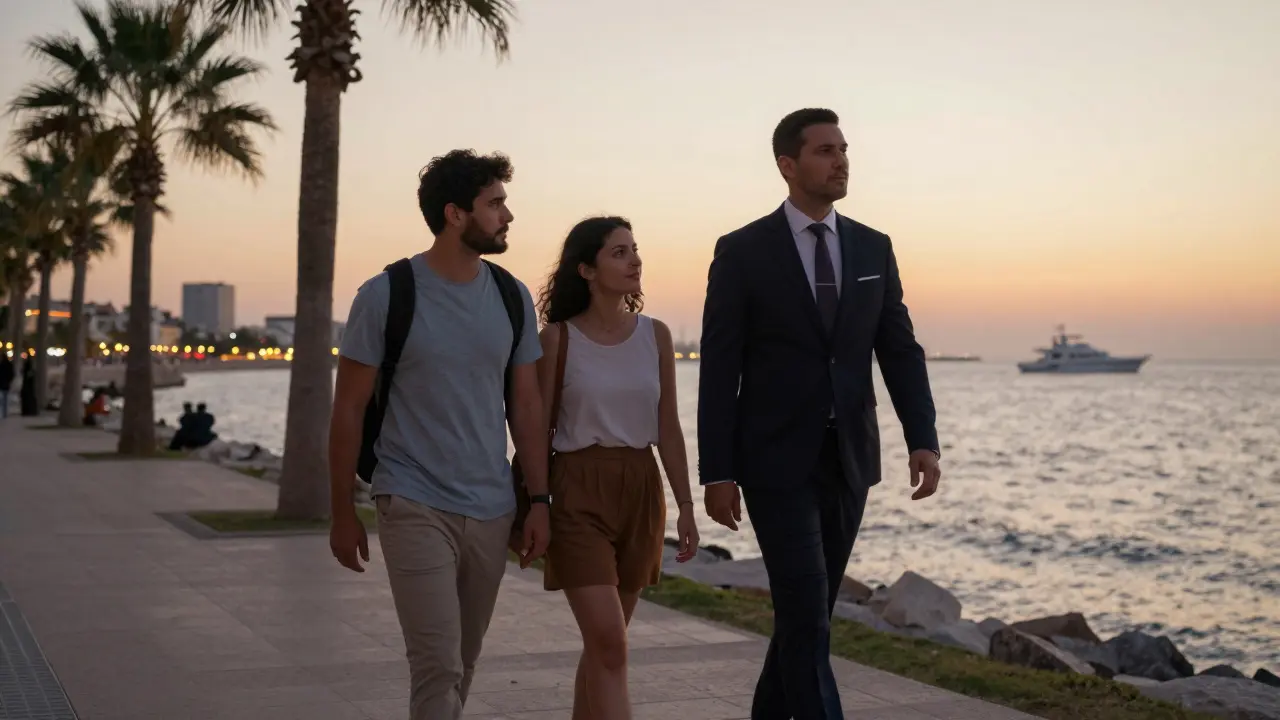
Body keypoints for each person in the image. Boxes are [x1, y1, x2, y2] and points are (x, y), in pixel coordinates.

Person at [697, 108, 942, 720]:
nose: (841, 161)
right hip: (775, 463)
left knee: (808, 617)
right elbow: (720, 369)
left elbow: (899, 348)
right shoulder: (743, 251)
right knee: (806, 614)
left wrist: (923, 438)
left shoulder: (872, 247)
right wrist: (717, 471)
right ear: (788, 165)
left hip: (850, 460)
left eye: (843, 148)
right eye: (825, 151)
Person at [328, 149, 549, 720]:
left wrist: (541, 501)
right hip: (411, 498)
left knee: (464, 660)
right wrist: (341, 510)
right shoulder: (384, 295)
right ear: (456, 214)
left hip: (492, 504)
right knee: (438, 663)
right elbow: (348, 409)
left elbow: (525, 405)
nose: (508, 215)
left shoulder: (511, 295)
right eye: (496, 203)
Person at [536, 216, 701, 720]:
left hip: (641, 489)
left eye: (635, 250)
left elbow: (667, 427)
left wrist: (686, 507)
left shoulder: (655, 336)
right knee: (610, 643)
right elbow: (535, 431)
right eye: (619, 252)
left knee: (605, 646)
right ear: (586, 269)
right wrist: (538, 506)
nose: (634, 261)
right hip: (577, 490)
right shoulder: (557, 340)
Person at [0, 355, 14, 419]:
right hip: (6, 384)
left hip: (2, 384)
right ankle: (4, 413)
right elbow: (12, 374)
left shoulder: (1, 365)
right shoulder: (9, 365)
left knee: (2, 399)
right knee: (5, 398)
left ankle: (3, 413)